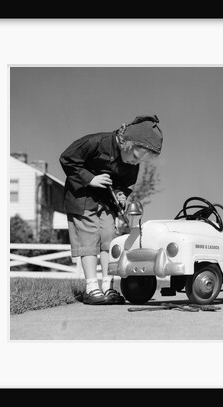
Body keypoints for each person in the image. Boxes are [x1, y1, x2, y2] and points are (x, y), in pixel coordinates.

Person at [59, 115, 163, 305]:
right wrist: (90, 179)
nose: (134, 163)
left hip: (106, 200)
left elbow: (126, 184)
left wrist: (121, 194)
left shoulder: (132, 163)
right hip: (82, 198)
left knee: (110, 238)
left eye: (139, 161)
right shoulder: (95, 143)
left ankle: (108, 286)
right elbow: (67, 159)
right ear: (126, 144)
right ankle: (92, 288)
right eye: (134, 157)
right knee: (89, 237)